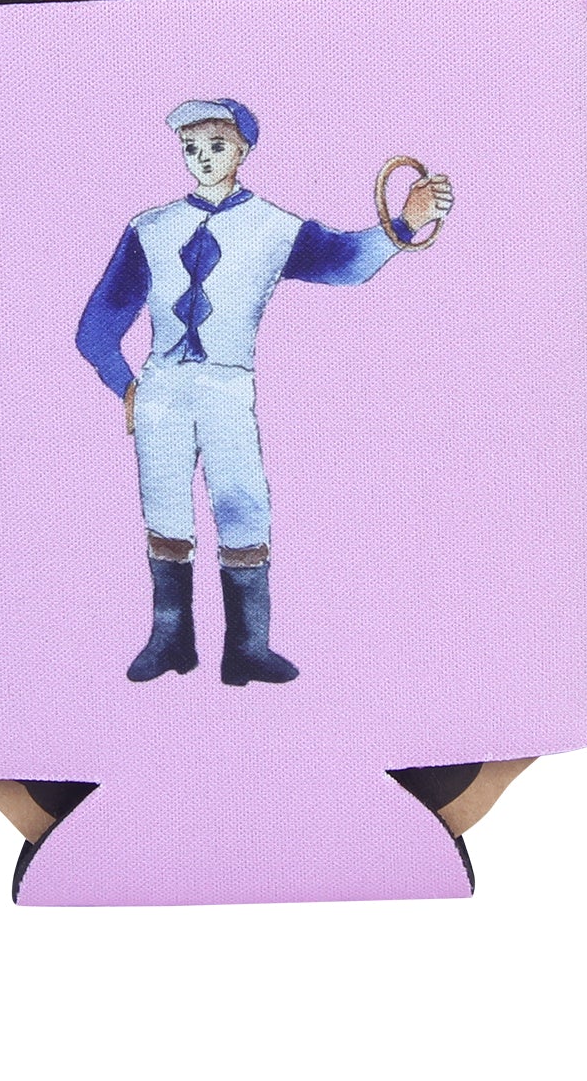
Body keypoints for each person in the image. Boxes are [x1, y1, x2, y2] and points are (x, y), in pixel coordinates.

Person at [75, 98, 453, 685]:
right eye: (191, 148)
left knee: (242, 502)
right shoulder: (150, 228)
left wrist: (405, 222)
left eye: (216, 146)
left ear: (244, 149)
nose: (203, 159)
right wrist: (125, 385)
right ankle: (170, 640)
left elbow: (346, 262)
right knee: (164, 504)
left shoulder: (275, 227)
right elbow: (96, 329)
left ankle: (247, 648)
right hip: (162, 390)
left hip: (228, 385)